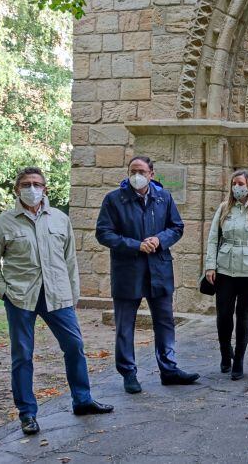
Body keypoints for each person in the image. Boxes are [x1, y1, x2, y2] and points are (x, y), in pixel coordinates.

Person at [0, 167, 114, 435]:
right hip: (20, 297)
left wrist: (73, 294)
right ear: (17, 190)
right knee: (23, 356)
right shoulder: (3, 223)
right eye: (26, 184)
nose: (32, 188)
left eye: (37, 184)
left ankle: (83, 400)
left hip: (58, 296)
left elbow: (70, 261)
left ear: (46, 189)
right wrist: (3, 291)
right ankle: (27, 414)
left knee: (74, 346)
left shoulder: (60, 220)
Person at [95, 156, 199, 393]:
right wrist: (135, 245)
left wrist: (159, 240)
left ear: (152, 173)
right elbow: (103, 233)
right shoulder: (114, 199)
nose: (136, 175)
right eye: (132, 171)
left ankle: (169, 369)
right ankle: (128, 373)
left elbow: (176, 227)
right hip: (127, 271)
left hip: (159, 269)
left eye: (141, 171)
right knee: (125, 325)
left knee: (164, 322)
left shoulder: (164, 197)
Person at [204, 169, 248, 380]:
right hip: (225, 269)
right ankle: (226, 353)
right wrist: (210, 266)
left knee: (244, 314)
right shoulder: (224, 208)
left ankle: (239, 360)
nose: (237, 187)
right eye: (234, 183)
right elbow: (213, 239)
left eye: (241, 183)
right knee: (223, 314)